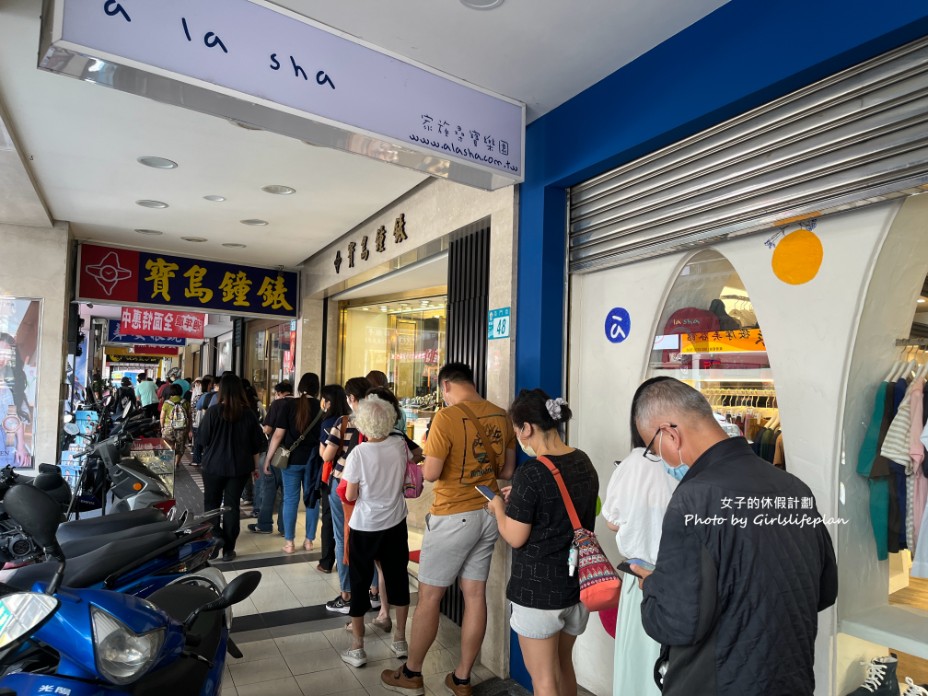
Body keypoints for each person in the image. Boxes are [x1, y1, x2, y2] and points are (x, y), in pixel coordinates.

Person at [631, 378, 838, 696]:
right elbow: (824, 591)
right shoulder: (794, 488)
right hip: (791, 679)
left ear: (670, 435)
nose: (661, 460)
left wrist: (654, 585)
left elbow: (677, 622)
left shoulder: (693, 499)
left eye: (654, 449)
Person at [382, 362, 516, 696]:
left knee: (430, 596)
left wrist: (422, 463)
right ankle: (462, 678)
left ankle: (412, 674)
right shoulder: (502, 415)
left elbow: (430, 474)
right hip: (489, 511)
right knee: (475, 595)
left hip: (453, 515)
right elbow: (509, 469)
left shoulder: (446, 417)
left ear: (445, 386)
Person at [486, 389, 597, 696]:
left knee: (544, 679)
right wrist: (519, 499)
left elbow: (515, 536)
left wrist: (498, 507)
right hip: (577, 587)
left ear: (527, 429)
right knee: (564, 667)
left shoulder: (531, 472)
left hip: (538, 594)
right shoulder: (583, 461)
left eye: (516, 430)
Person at [601, 377, 679, 696]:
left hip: (641, 580)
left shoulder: (633, 464)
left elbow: (613, 523)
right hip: (684, 583)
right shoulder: (695, 463)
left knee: (638, 670)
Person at [338, 395, 413, 668]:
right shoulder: (400, 445)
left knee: (359, 583)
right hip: (395, 523)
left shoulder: (359, 453)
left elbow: (350, 493)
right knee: (397, 579)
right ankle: (400, 641)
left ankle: (357, 648)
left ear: (364, 425)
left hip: (365, 527)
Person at [198, 373, 265, 562]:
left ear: (222, 390)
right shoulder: (249, 414)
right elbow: (256, 445)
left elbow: (202, 440)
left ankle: (216, 536)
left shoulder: (212, 412)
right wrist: (255, 468)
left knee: (211, 504)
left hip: (213, 466)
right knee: (231, 506)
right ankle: (229, 549)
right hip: (239, 468)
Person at [320, 377, 372, 612]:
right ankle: (374, 591)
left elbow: (327, 456)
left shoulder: (343, 422)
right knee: (368, 538)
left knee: (343, 539)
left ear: (351, 399)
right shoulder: (380, 422)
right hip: (370, 488)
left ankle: (347, 593)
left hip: (342, 486)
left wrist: (322, 447)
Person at [265, 373, 323, 554]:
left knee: (290, 500)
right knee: (312, 500)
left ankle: (289, 543)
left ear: (299, 387)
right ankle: (309, 541)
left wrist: (268, 458)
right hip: (314, 461)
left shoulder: (288, 405)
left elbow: (277, 435)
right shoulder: (322, 407)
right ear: (317, 388)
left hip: (290, 460)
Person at [316, 384, 350, 576]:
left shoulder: (329, 422)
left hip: (333, 477)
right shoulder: (351, 420)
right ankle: (346, 560)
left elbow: (325, 455)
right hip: (352, 479)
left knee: (330, 520)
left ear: (328, 402)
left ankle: (327, 561)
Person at [249, 381, 291, 535]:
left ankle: (265, 524)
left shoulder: (278, 404)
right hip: (293, 457)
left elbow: (268, 429)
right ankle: (284, 526)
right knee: (287, 494)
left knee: (269, 490)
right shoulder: (301, 405)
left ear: (279, 393)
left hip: (276, 454)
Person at [0, 333, 29, 468]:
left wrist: (21, 446)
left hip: (7, 441)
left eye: (6, 354)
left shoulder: (6, 382)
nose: (2, 358)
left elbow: (12, 416)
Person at [160, 383, 190, 467]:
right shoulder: (185, 402)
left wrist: (162, 427)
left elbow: (162, 417)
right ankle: (176, 463)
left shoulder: (167, 403)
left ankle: (169, 464)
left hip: (168, 427)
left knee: (169, 445)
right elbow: (189, 416)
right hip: (182, 427)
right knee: (180, 446)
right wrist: (189, 429)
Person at [191, 376, 217, 466]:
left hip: (202, 422)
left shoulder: (205, 395)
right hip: (209, 423)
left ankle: (198, 460)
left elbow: (197, 406)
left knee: (200, 441)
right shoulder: (214, 395)